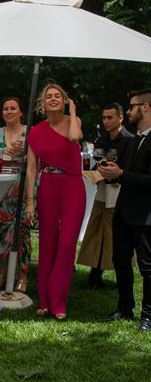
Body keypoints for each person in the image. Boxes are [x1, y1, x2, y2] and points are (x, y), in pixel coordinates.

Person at [25, 83, 85, 321]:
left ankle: (58, 300)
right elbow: (31, 169)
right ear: (42, 102)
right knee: (48, 241)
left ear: (64, 100)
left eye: (57, 96)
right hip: (48, 185)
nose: (52, 99)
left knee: (68, 241)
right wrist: (30, 200)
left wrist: (72, 111)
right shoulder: (36, 131)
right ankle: (46, 302)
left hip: (72, 185)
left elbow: (74, 137)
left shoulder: (74, 122)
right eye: (48, 96)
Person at [100, 89, 151, 332]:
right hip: (123, 212)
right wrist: (114, 170)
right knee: (120, 261)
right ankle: (125, 307)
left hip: (146, 216)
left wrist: (122, 174)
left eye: (132, 106)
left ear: (146, 107)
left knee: (147, 268)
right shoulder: (134, 141)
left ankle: (148, 316)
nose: (128, 111)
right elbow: (127, 172)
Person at [77, 103, 133, 289]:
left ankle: (121, 277)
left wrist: (114, 173)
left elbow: (128, 171)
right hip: (102, 192)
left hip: (119, 194)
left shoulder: (129, 141)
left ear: (121, 118)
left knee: (114, 233)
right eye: (104, 118)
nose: (106, 121)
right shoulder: (101, 140)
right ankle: (95, 276)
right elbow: (97, 164)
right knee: (96, 229)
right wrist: (94, 173)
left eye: (110, 117)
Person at [0, 97, 31, 292]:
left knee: (21, 233)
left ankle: (23, 275)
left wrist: (26, 151)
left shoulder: (30, 133)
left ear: (21, 112)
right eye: (6, 108)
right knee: (0, 232)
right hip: (1, 191)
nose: (9, 111)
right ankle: (3, 273)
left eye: (13, 108)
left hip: (22, 189)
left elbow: (39, 161)